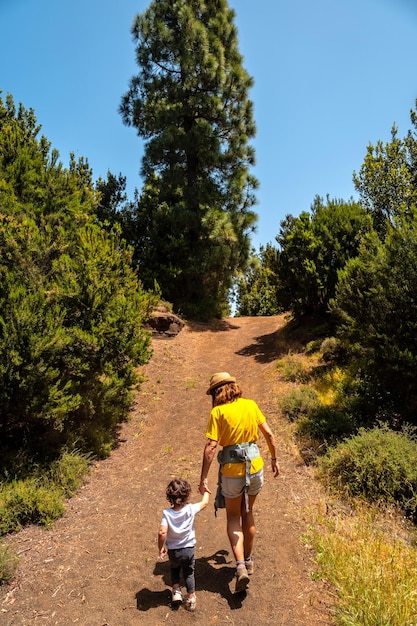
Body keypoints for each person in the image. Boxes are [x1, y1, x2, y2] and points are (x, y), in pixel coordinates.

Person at [198, 372, 280, 593]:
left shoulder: (218, 412)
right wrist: (273, 458)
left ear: (216, 393)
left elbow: (211, 447)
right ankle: (250, 559)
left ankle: (241, 566)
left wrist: (203, 477)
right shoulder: (251, 405)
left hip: (232, 470)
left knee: (233, 516)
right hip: (255, 466)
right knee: (248, 511)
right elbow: (269, 435)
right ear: (234, 387)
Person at [158, 477, 209, 612]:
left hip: (174, 550)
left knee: (174, 569)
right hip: (188, 549)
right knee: (189, 572)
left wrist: (161, 547)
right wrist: (206, 490)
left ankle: (176, 593)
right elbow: (204, 503)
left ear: (169, 496)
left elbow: (162, 532)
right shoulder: (190, 509)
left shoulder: (167, 514)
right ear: (187, 495)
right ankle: (191, 598)